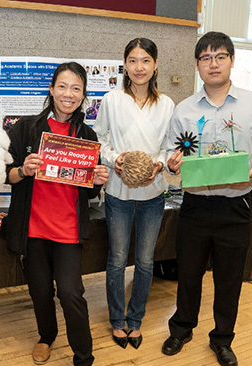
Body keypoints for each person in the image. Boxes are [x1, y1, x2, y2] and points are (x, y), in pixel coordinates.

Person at [161, 31, 252, 366]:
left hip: (236, 205)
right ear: (197, 65)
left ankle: (222, 339)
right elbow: (175, 150)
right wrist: (173, 161)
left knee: (229, 279)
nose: (213, 63)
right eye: (206, 58)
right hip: (195, 207)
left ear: (232, 60)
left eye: (220, 56)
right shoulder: (184, 109)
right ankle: (182, 329)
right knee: (188, 274)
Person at [0, 62, 109, 366]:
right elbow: (4, 174)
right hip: (32, 229)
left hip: (67, 230)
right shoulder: (26, 130)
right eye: (63, 87)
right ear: (51, 89)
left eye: (76, 88)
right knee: (40, 291)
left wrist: (98, 182)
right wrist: (22, 169)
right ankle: (47, 336)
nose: (69, 94)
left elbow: (87, 192)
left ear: (83, 95)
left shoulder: (86, 137)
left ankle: (84, 363)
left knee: (72, 295)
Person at [94, 38, 174, 350]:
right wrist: (115, 159)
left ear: (155, 65)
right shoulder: (112, 100)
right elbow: (98, 138)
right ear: (124, 65)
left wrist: (159, 164)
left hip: (153, 193)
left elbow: (171, 146)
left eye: (145, 61)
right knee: (116, 259)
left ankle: (135, 319)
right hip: (117, 191)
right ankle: (117, 320)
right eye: (132, 60)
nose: (138, 67)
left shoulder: (167, 104)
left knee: (145, 261)